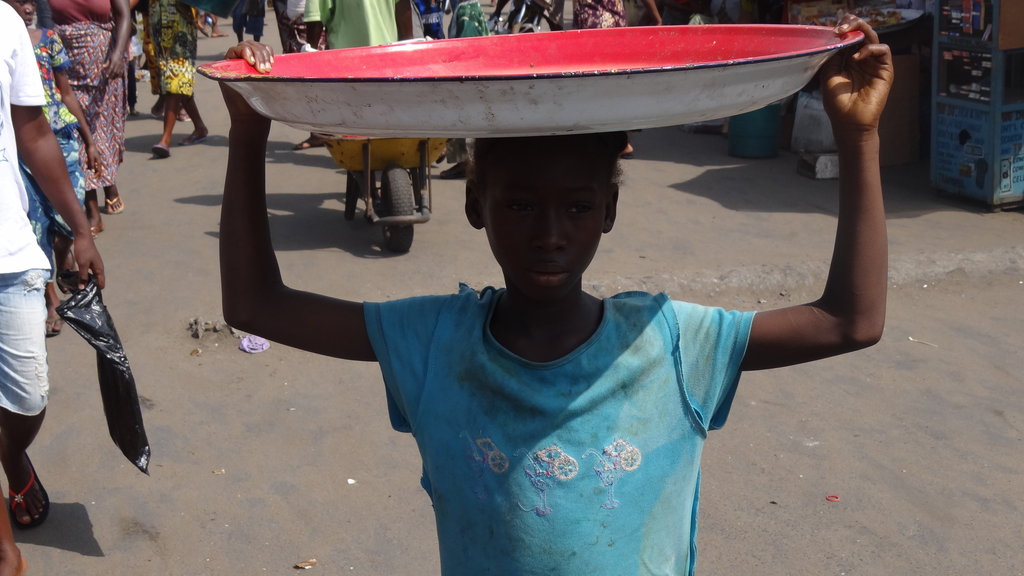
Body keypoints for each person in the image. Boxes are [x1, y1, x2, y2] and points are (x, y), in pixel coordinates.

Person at [218, 14, 891, 574]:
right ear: (476, 206)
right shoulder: (434, 343)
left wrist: (857, 136)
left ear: (608, 212)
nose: (548, 235)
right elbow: (257, 307)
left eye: (575, 207)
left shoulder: (668, 342)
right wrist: (248, 130)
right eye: (518, 207)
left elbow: (849, 321)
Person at [2, 0, 105, 558]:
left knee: (28, 398)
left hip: (8, 251)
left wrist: (81, 228)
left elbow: (34, 131)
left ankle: (13, 455)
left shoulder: (6, 24)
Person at [4, 0, 100, 339]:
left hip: (61, 140)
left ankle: (64, 265)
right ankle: (50, 301)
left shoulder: (49, 40)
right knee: (36, 227)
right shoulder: (8, 40)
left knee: (65, 224)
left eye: (32, 1)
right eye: (19, 2)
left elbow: (67, 93)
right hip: (19, 149)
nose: (27, 8)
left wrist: (89, 139)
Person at [50, 0, 131, 236]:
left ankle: (109, 183)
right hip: (66, 61)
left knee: (103, 131)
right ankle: (91, 206)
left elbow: (123, 13)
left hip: (105, 64)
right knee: (76, 130)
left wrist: (117, 55)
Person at [291, 0, 412, 150]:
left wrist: (310, 57)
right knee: (387, 125)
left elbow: (315, 18)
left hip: (349, 69)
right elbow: (403, 9)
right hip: (387, 64)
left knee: (356, 137)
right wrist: (408, 52)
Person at [148, 0, 209, 158]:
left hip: (180, 24)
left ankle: (165, 140)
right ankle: (200, 128)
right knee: (179, 82)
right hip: (158, 24)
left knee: (176, 79)